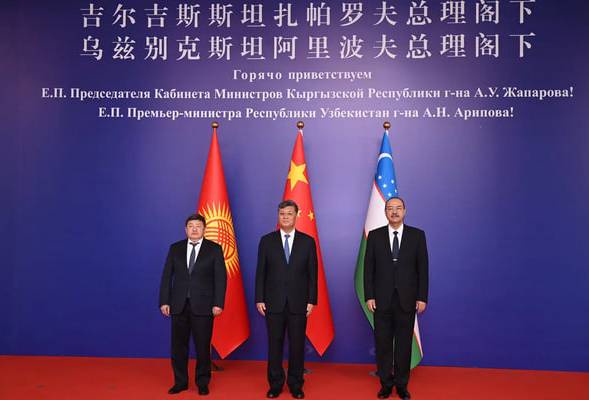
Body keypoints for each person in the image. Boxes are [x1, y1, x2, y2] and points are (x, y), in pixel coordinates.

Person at [364, 197, 429, 400]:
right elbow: (368, 269)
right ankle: (385, 384)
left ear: (404, 211)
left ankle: (402, 385)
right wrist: (369, 295)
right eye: (390, 208)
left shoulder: (417, 236)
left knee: (403, 345)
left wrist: (422, 297)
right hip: (381, 300)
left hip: (407, 300)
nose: (394, 212)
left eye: (398, 208)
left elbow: (423, 269)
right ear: (385, 212)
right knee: (383, 344)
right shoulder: (374, 236)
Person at [255, 200, 318, 399]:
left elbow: (313, 274)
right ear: (278, 216)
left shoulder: (308, 242)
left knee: (297, 346)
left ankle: (296, 384)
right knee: (275, 345)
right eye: (282, 213)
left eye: (289, 213)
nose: (285, 217)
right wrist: (259, 298)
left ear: (296, 215)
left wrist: (311, 300)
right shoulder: (267, 241)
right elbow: (261, 272)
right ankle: (275, 384)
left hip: (299, 303)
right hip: (273, 302)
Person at [159, 213, 227, 396]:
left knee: (203, 347)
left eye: (198, 226)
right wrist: (164, 301)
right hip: (178, 305)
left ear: (204, 229)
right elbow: (167, 276)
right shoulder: (175, 248)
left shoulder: (214, 249)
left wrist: (218, 303)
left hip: (204, 306)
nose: (194, 229)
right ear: (185, 229)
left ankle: (202, 382)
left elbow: (220, 279)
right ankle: (180, 382)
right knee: (178, 347)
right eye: (191, 226)